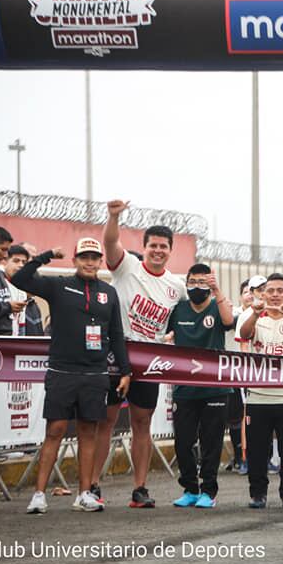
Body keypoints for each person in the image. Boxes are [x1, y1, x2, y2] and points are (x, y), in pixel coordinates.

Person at [12, 239, 131, 514]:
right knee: (54, 430)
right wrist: (45, 255)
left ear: (100, 261)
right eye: (84, 257)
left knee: (88, 433)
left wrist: (125, 371)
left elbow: (116, 335)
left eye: (94, 258)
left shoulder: (109, 293)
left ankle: (84, 494)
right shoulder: (58, 285)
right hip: (61, 372)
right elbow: (19, 278)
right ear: (75, 260)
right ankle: (39, 496)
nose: (89, 262)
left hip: (95, 374)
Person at [94, 200, 188, 508]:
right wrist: (113, 217)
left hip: (149, 358)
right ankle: (91, 486)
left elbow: (187, 318)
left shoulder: (177, 286)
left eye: (164, 247)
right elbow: (110, 243)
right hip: (116, 351)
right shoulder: (128, 267)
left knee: (142, 422)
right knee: (106, 420)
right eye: (153, 246)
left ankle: (140, 488)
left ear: (170, 251)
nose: (158, 251)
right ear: (144, 247)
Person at [166, 263, 234, 509]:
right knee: (183, 442)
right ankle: (190, 488)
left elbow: (228, 321)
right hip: (184, 387)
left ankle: (208, 491)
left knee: (211, 442)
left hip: (215, 387)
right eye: (192, 282)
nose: (197, 287)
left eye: (202, 282)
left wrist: (217, 290)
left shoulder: (218, 305)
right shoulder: (179, 309)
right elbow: (163, 334)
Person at [238, 273, 283, 509]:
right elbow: (244, 335)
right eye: (271, 291)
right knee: (257, 450)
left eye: (280, 290)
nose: (275, 295)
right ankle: (257, 494)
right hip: (258, 396)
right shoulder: (253, 315)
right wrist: (255, 314)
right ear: (263, 293)